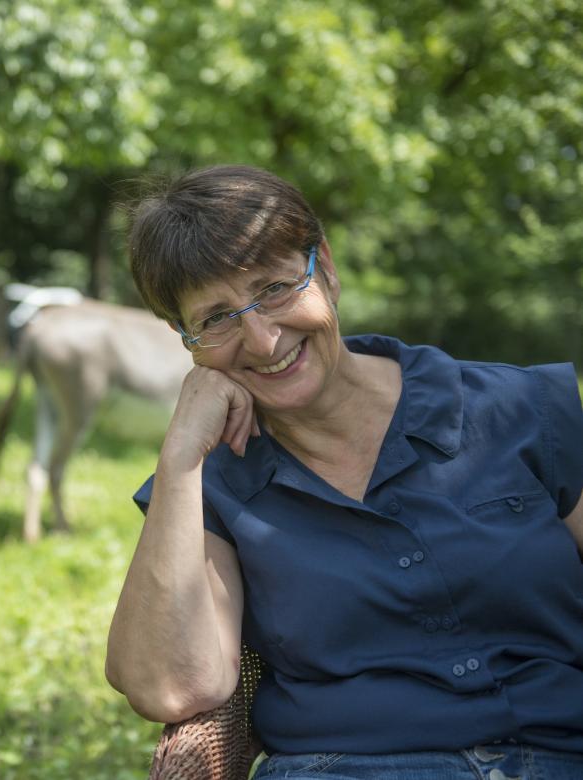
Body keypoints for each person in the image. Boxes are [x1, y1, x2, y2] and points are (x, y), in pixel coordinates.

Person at [105, 165, 583, 779]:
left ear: (324, 268)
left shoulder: (522, 408)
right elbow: (172, 687)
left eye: (275, 286)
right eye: (216, 318)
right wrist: (179, 462)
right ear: (185, 339)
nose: (263, 338)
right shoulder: (216, 482)